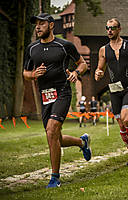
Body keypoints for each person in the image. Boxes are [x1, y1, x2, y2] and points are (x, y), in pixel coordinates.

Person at [23, 13, 91, 188]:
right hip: (45, 95)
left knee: (52, 130)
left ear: (51, 25)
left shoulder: (64, 46)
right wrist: (33, 75)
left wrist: (76, 72)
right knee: (54, 137)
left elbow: (82, 64)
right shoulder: (32, 48)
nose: (37, 27)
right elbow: (25, 72)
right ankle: (82, 142)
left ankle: (55, 178)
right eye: (36, 24)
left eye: (41, 24)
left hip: (62, 92)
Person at [95, 18, 128, 166]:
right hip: (114, 90)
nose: (109, 30)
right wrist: (98, 73)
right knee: (121, 125)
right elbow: (100, 68)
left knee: (126, 118)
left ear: (119, 29)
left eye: (113, 28)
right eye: (107, 28)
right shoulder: (103, 50)